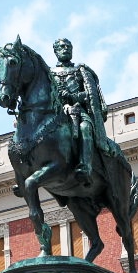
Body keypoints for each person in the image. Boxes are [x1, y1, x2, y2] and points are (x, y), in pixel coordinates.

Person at [50, 38, 107, 182]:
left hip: (78, 111)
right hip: (55, 113)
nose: (66, 49)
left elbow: (89, 94)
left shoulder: (80, 70)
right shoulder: (49, 73)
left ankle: (85, 165)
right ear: (55, 51)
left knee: (85, 128)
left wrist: (71, 96)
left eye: (69, 47)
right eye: (62, 47)